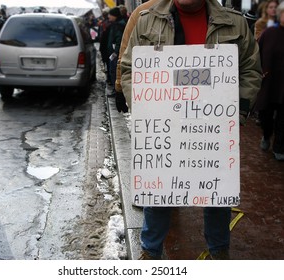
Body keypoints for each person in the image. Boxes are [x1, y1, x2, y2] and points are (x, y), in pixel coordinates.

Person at [121, 0, 262, 260]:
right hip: (163, 125)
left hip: (213, 126)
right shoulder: (146, 20)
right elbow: (129, 69)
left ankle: (219, 252)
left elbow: (250, 70)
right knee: (159, 190)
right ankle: (150, 252)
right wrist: (144, 106)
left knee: (217, 192)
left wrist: (236, 113)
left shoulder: (236, 22)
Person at [115, 0, 159, 113]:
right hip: (156, 105)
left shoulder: (211, 12)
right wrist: (120, 87)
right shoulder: (142, 13)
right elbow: (126, 57)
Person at [255, 1, 284, 161]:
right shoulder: (269, 33)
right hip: (270, 82)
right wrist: (259, 71)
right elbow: (257, 53)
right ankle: (266, 135)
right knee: (266, 115)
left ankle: (279, 147)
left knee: (282, 119)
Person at [107, 7, 126, 96]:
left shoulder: (118, 25)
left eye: (110, 15)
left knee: (114, 71)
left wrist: (115, 52)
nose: (108, 16)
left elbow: (119, 40)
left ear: (114, 15)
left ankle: (117, 92)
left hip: (116, 54)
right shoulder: (117, 24)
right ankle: (116, 91)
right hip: (115, 52)